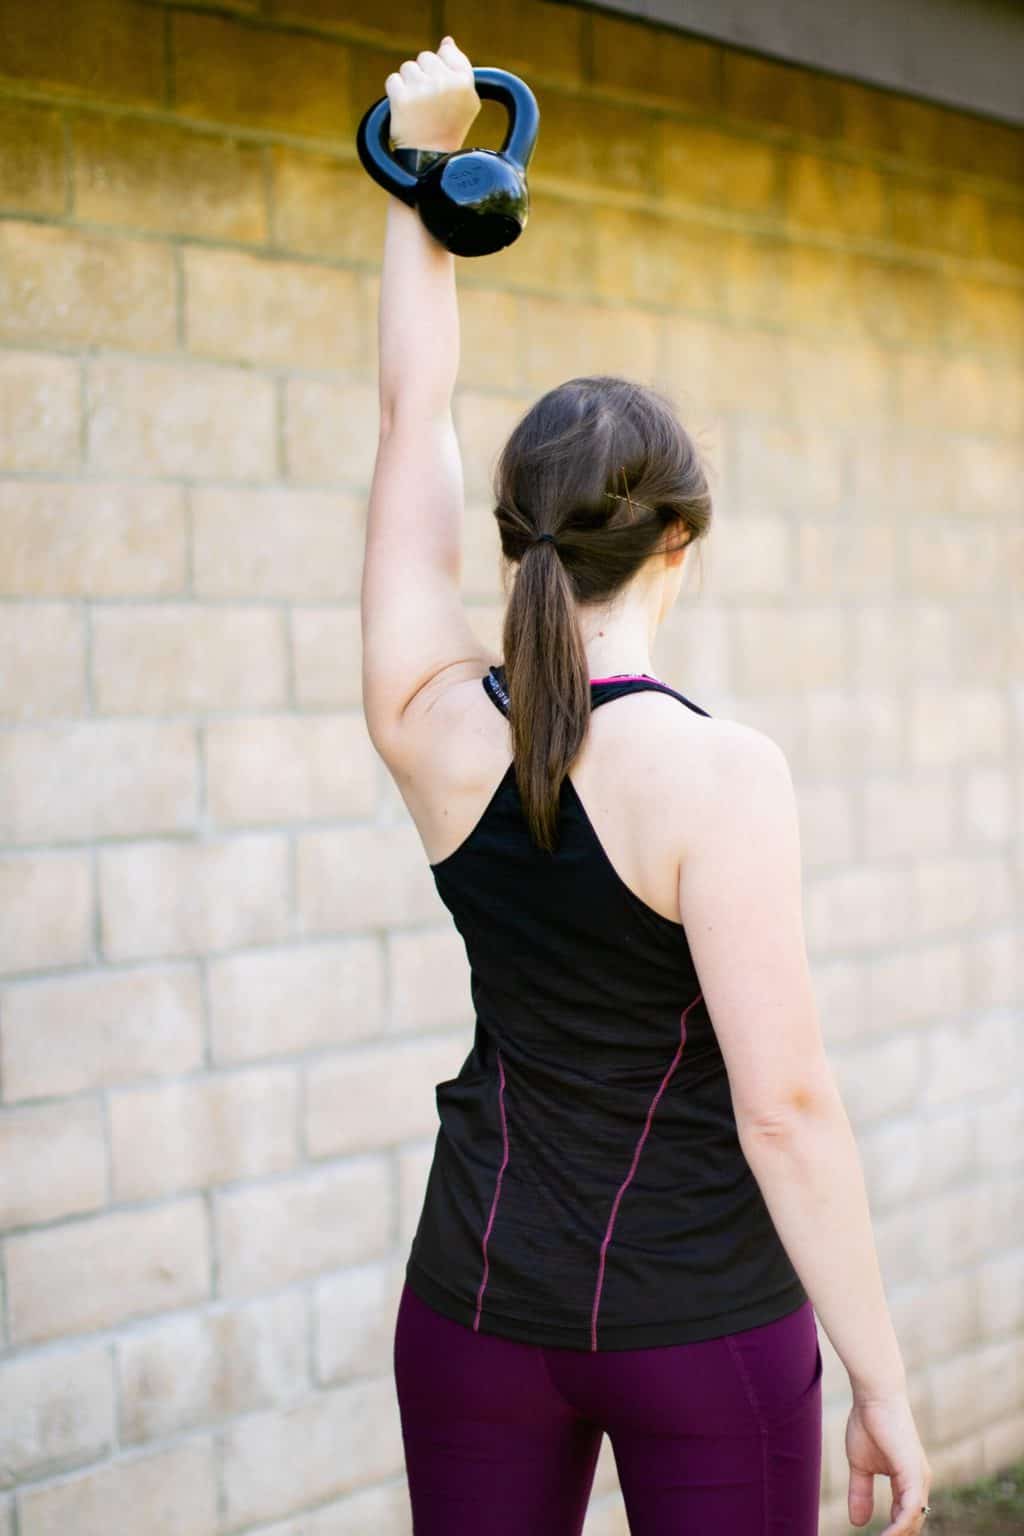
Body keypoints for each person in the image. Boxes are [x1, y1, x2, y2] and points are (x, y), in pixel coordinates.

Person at [359, 35, 933, 1536]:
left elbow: (407, 415)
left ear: (511, 537)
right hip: (704, 1339)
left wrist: (419, 180)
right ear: (680, 545)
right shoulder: (721, 777)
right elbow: (789, 1110)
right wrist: (879, 1380)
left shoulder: (428, 722)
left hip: (472, 1310)